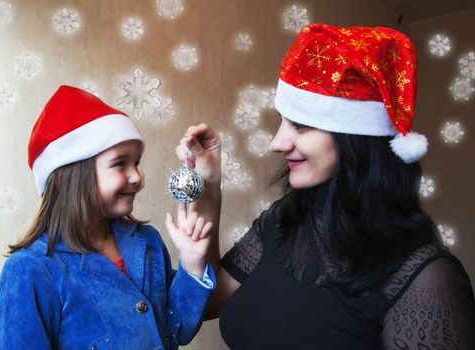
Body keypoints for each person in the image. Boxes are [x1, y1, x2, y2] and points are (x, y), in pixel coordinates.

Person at [177, 24, 475, 349]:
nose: (277, 142)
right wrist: (210, 182)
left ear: (355, 141)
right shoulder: (283, 221)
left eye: (301, 125)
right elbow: (207, 303)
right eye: (282, 120)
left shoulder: (427, 279)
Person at [0, 85, 215, 349]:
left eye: (137, 163)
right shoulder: (30, 270)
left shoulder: (147, 241)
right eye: (120, 163)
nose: (137, 177)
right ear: (67, 175)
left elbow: (178, 330)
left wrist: (191, 266)